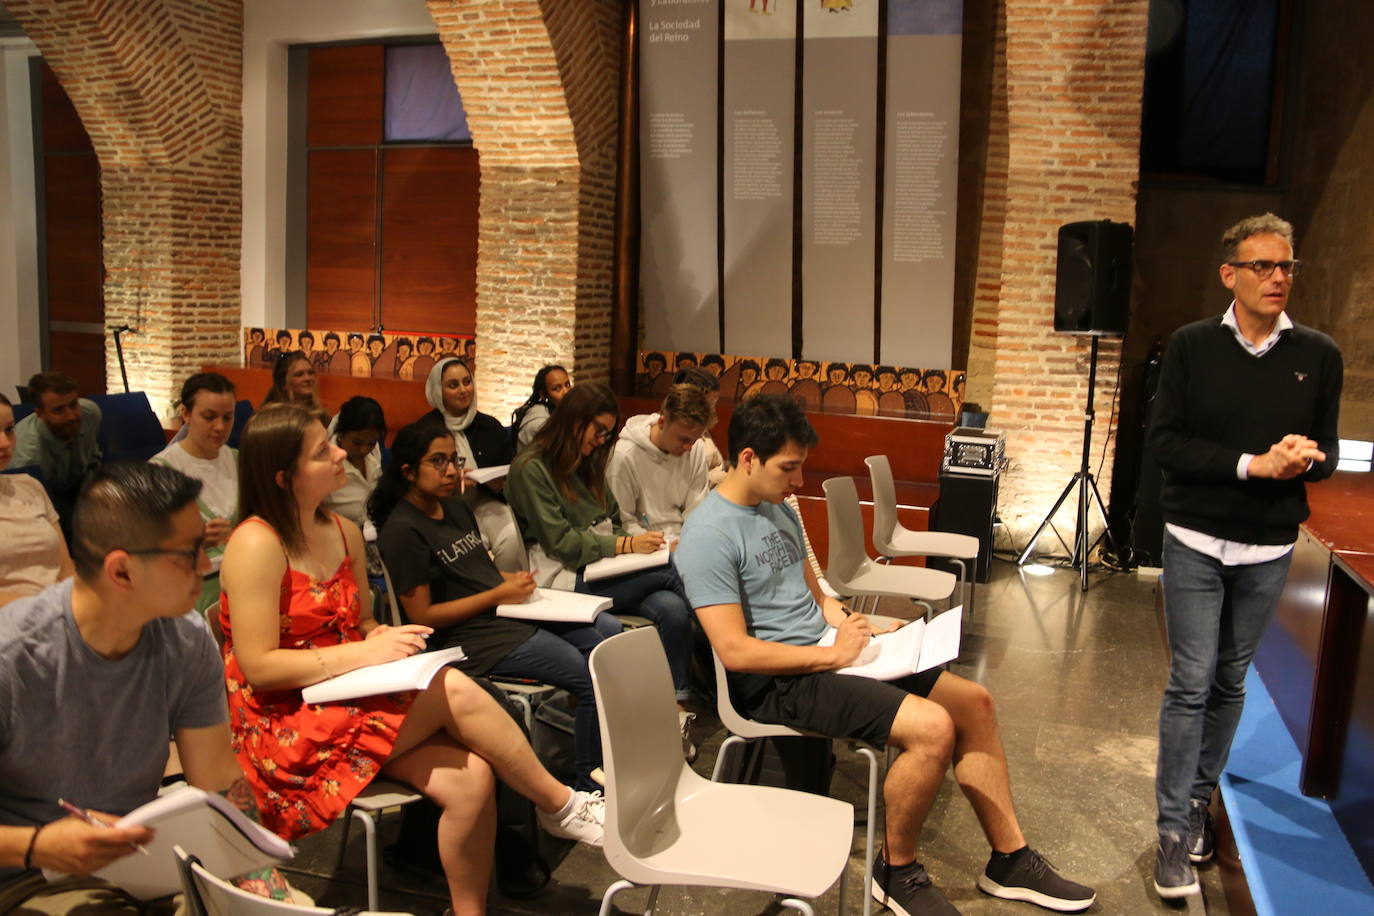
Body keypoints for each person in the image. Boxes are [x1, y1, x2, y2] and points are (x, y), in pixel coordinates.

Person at [677, 395, 1096, 916]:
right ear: (746, 459)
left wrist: (861, 625)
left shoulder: (778, 509)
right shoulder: (706, 535)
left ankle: (1008, 859)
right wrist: (831, 657)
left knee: (975, 703)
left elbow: (819, 598)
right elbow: (734, 651)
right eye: (789, 468)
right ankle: (896, 872)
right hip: (778, 682)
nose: (798, 482)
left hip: (831, 656)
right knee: (932, 729)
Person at [219, 404, 604, 916]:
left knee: (472, 779)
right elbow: (260, 667)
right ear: (285, 478)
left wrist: (390, 636)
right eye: (322, 451)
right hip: (285, 721)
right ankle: (560, 804)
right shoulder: (255, 543)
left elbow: (360, 627)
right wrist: (367, 650)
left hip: (344, 697)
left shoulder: (342, 530)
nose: (340, 453)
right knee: (455, 688)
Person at [1147, 213, 1342, 900]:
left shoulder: (1318, 354)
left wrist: (1304, 460)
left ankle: (1198, 806)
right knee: (1191, 682)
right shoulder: (1192, 347)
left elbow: (1330, 453)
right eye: (1264, 266)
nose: (1278, 278)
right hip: (1196, 539)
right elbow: (1166, 444)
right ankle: (1171, 833)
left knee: (1230, 683)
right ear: (1230, 273)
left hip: (1268, 548)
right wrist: (1253, 465)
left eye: (1287, 266)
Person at [0, 462, 293, 912]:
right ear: (122, 572)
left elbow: (216, 777)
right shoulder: (13, 656)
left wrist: (258, 879)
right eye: (190, 551)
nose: (205, 565)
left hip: (140, 864)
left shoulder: (186, 636)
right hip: (32, 876)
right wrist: (38, 844)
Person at [374, 418, 621, 792]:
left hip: (503, 613)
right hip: (467, 638)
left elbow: (481, 574)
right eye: (437, 462)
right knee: (583, 672)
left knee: (607, 634)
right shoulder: (403, 530)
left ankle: (605, 755)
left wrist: (513, 582)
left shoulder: (455, 508)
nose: (450, 471)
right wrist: (497, 594)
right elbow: (423, 617)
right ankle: (589, 782)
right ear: (409, 472)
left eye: (454, 461)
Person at [506, 383, 699, 754]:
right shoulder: (531, 468)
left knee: (672, 609)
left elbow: (610, 518)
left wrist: (628, 545)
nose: (601, 441)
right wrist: (626, 546)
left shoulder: (588, 463)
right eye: (598, 431)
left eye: (608, 433)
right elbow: (564, 545)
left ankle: (676, 708)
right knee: (671, 571)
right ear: (574, 422)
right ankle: (731, 660)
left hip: (605, 568)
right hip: (562, 579)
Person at [421, 357, 523, 571]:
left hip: (486, 503)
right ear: (438, 391)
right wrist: (453, 483)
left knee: (513, 536)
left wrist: (501, 484)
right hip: (444, 509)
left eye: (467, 382)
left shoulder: (489, 426)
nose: (463, 390)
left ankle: (501, 588)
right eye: (453, 385)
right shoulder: (424, 431)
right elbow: (416, 484)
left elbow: (511, 470)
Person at [151, 373, 239, 617]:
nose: (220, 427)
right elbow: (147, 548)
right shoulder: (161, 471)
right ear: (186, 414)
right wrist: (193, 542)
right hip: (191, 589)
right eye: (209, 417)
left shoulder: (239, 460)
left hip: (241, 577)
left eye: (228, 417)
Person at [607, 383, 712, 537]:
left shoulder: (696, 449)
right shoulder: (624, 456)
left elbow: (697, 510)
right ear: (662, 423)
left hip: (684, 540)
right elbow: (623, 522)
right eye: (683, 439)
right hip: (643, 545)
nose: (689, 447)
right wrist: (662, 545)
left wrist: (689, 541)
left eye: (694, 440)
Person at [0, 393, 74, 608]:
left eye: (9, 430)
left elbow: (66, 569)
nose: (4, 443)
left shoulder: (29, 486)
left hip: (58, 612)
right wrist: (49, 608)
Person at [11, 371, 103, 535]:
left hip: (81, 479)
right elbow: (28, 501)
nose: (71, 416)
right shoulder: (28, 454)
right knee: (77, 524)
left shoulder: (90, 413)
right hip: (44, 494)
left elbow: (92, 460)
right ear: (40, 414)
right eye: (59, 410)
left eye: (74, 404)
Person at [674, 366, 728, 486]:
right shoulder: (680, 435)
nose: (713, 409)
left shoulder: (701, 429)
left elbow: (714, 464)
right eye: (711, 403)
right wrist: (726, 479)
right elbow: (687, 481)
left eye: (715, 403)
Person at [510, 365, 572, 451]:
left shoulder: (562, 413)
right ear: (543, 395)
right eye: (557, 388)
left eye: (567, 384)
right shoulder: (538, 424)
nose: (566, 392)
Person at [261, 350, 322, 415]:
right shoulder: (270, 418)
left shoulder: (321, 415)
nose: (307, 378)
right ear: (283, 383)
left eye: (310, 373)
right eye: (299, 374)